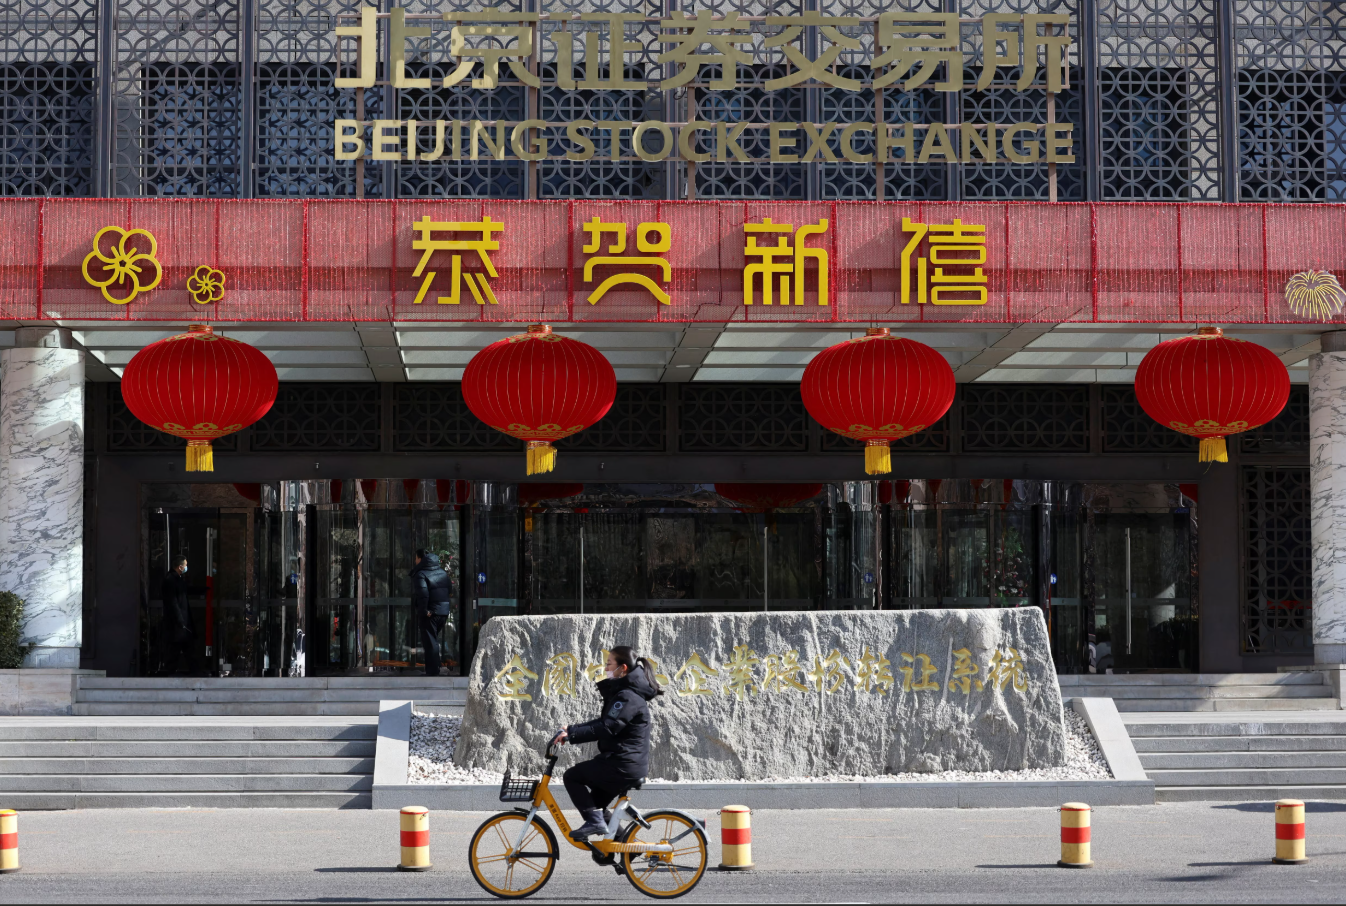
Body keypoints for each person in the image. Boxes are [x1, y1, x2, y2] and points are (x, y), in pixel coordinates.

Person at [553, 646, 662, 840]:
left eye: (609, 664)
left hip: (622, 764)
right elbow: (605, 723)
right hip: (623, 762)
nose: (605, 668)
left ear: (623, 668)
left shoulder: (628, 696)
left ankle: (595, 823)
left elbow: (608, 727)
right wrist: (571, 730)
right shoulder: (626, 693)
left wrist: (572, 737)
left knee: (572, 776)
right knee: (595, 807)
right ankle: (629, 850)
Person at [410, 549, 452, 677]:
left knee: (430, 641)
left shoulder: (421, 574)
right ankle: (435, 668)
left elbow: (423, 594)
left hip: (431, 613)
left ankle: (433, 671)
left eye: (416, 558)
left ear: (420, 559)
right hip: (443, 612)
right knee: (433, 640)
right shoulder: (442, 572)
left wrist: (424, 611)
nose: (415, 561)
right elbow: (449, 589)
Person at [159, 555, 195, 675]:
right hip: (177, 624)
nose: (186, 567)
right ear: (180, 567)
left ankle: (194, 671)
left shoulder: (178, 579)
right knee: (176, 649)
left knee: (184, 648)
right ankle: (174, 672)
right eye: (185, 565)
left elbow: (185, 592)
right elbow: (173, 603)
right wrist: (180, 621)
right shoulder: (170, 580)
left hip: (180, 623)